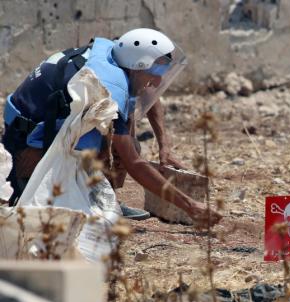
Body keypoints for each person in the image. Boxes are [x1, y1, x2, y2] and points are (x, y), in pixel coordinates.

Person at [1, 28, 221, 227]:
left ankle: (104, 197)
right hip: (26, 146)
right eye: (152, 76)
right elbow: (134, 163)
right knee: (123, 148)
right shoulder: (107, 85)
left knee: (127, 136)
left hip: (34, 127)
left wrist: (164, 145)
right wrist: (191, 206)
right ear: (136, 68)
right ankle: (51, 188)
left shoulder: (115, 53)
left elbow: (150, 94)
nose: (155, 83)